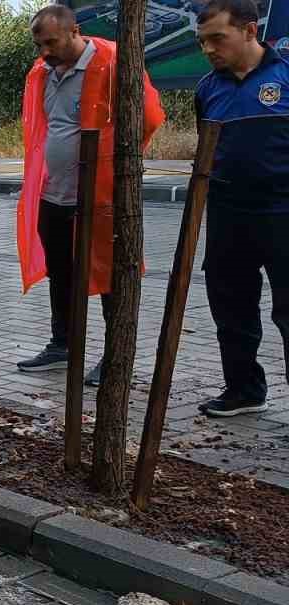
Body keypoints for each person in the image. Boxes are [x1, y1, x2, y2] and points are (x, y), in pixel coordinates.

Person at [16, 6, 165, 386]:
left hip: (100, 195)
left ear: (74, 31)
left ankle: (115, 356)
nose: (45, 50)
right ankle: (62, 344)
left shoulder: (113, 61)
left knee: (109, 273)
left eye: (51, 41)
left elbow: (147, 116)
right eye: (39, 43)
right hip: (56, 193)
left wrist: (112, 164)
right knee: (61, 270)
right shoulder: (43, 71)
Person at [194, 0, 289, 417]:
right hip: (228, 214)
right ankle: (243, 390)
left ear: (250, 31)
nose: (209, 49)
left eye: (217, 38)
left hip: (283, 214)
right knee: (231, 307)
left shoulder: (286, 75)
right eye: (202, 42)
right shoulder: (207, 89)